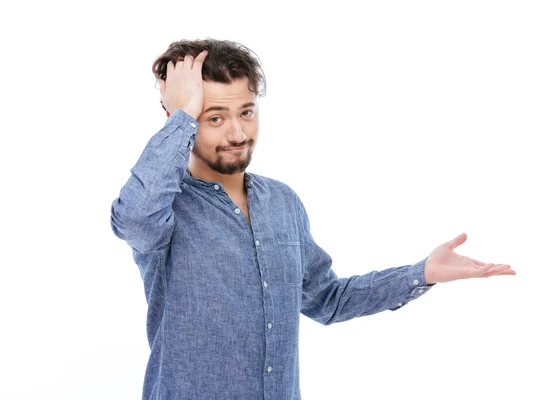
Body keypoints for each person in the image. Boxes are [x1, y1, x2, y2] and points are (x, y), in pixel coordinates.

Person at [110, 38, 516, 400]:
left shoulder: (282, 202)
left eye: (247, 112)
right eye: (214, 117)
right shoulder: (164, 206)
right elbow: (133, 220)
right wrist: (182, 115)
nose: (237, 133)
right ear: (177, 120)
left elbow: (327, 300)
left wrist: (420, 273)